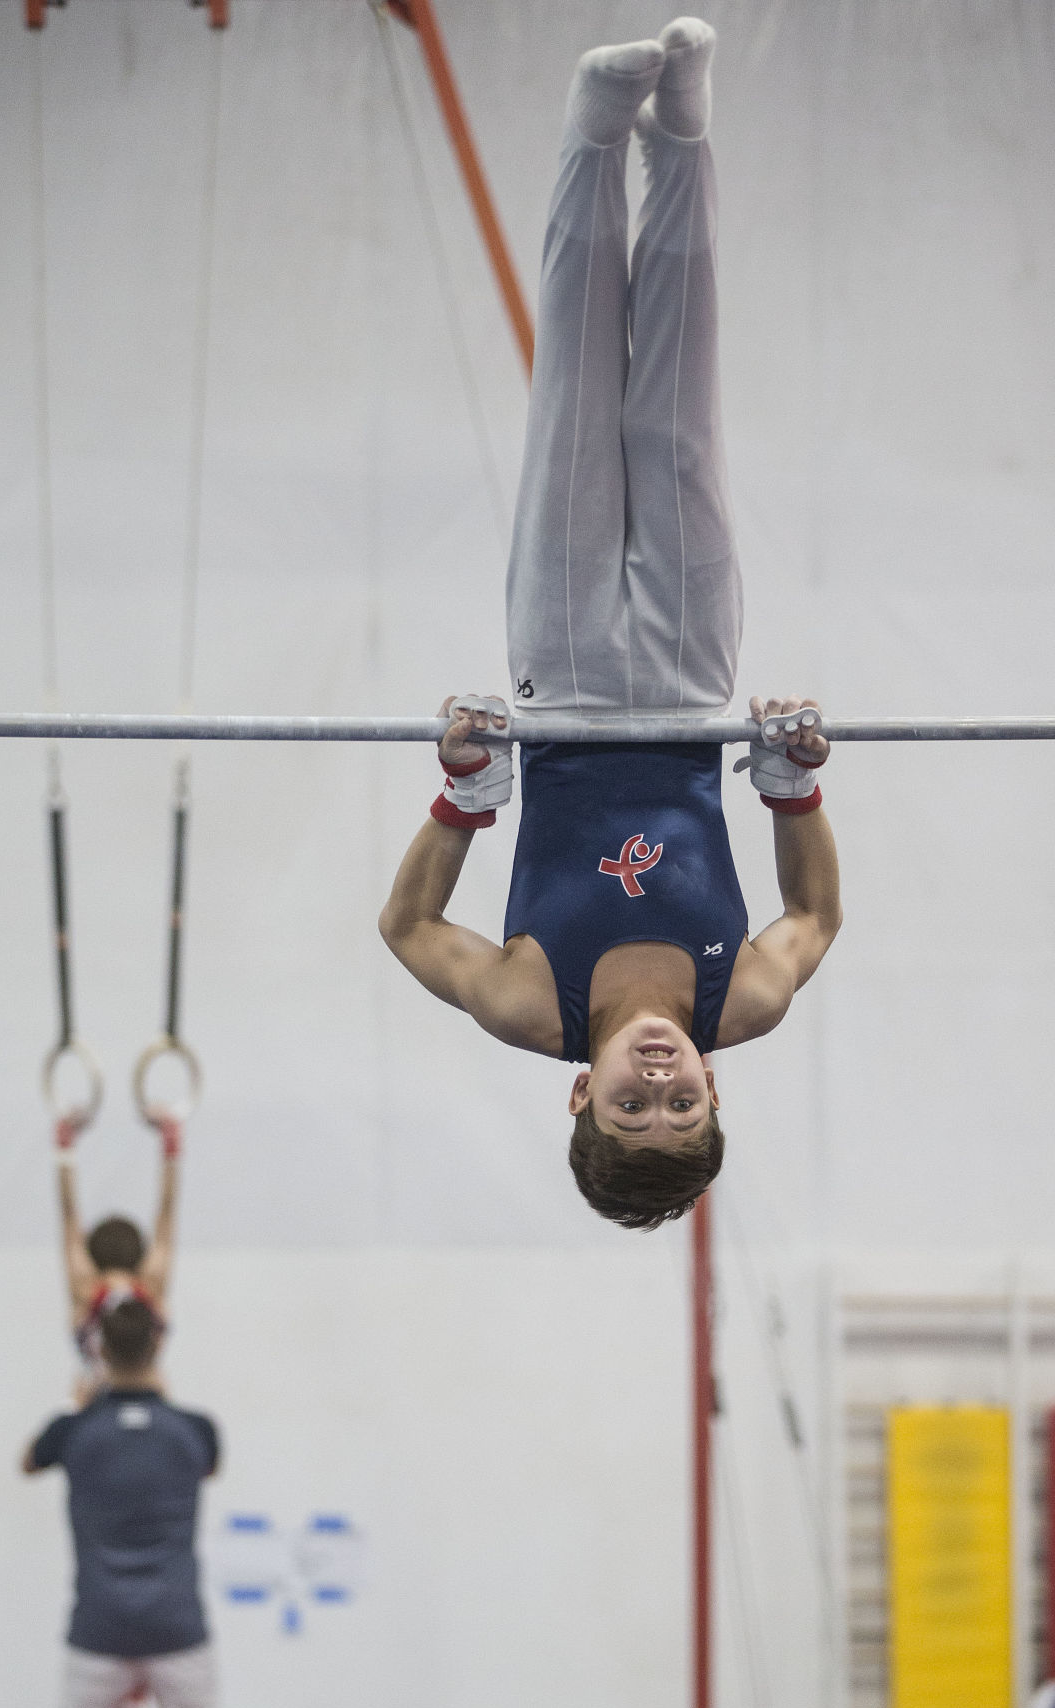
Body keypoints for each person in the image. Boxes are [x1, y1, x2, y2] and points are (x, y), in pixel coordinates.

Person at [380, 19, 842, 1229]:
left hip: (569, 685)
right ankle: (681, 129)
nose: (657, 1087)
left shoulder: (532, 1003)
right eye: (681, 1107)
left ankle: (597, 132)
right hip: (691, 688)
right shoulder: (741, 999)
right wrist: (792, 787)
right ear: (714, 1094)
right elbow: (816, 916)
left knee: (575, 398)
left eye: (629, 1110)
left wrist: (465, 798)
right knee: (680, 408)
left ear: (577, 1093)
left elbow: (407, 927)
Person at [8, 1295, 288, 1708]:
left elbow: (27, 1461)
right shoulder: (195, 1429)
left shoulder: (74, 1430)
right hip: (176, 1622)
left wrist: (80, 1402)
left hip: (99, 1622)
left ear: (100, 1351)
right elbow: (208, 1466)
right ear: (159, 1348)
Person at [54, 1110, 180, 1402]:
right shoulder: (150, 1288)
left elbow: (69, 1219)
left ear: (91, 1256)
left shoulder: (86, 1290)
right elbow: (166, 1217)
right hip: (151, 1399)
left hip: (95, 1410)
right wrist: (171, 1146)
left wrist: (64, 1148)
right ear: (141, 1256)